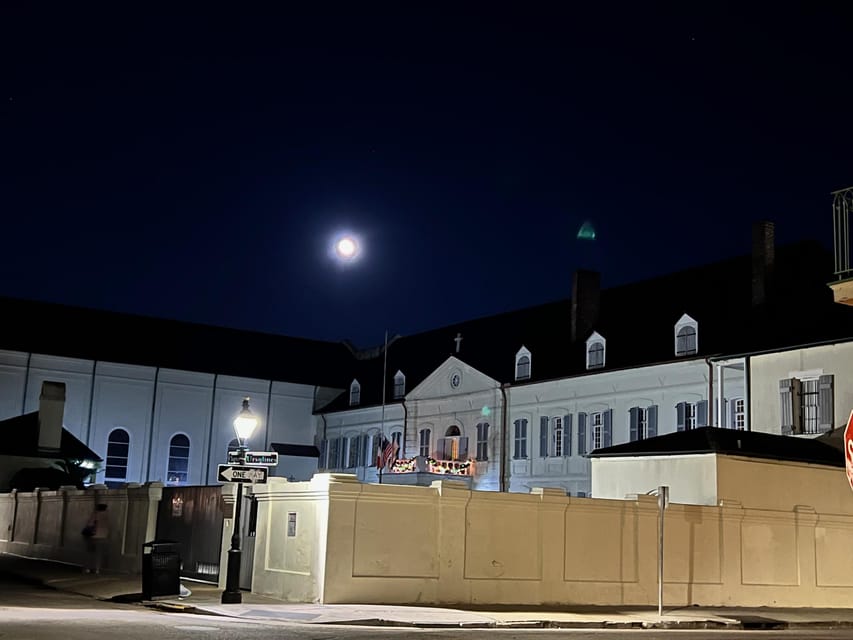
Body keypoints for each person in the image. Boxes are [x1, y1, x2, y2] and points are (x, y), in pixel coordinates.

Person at [82, 503, 109, 574]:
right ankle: (97, 569)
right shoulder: (107, 516)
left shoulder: (95, 514)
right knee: (98, 554)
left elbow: (89, 524)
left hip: (93, 536)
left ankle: (88, 568)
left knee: (90, 553)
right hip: (103, 537)